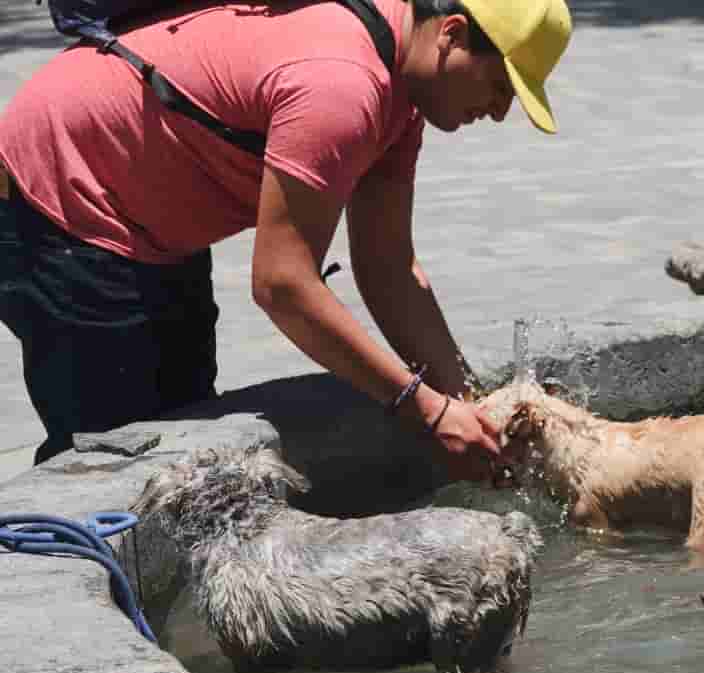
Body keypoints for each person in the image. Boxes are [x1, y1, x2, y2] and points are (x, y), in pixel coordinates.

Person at [0, 0, 572, 478]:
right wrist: (423, 409)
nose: (500, 112)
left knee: (178, 434)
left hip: (149, 217)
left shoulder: (401, 97)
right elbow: (281, 285)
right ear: (452, 34)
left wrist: (469, 406)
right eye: (500, 86)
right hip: (60, 200)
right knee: (113, 462)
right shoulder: (342, 85)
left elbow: (388, 268)